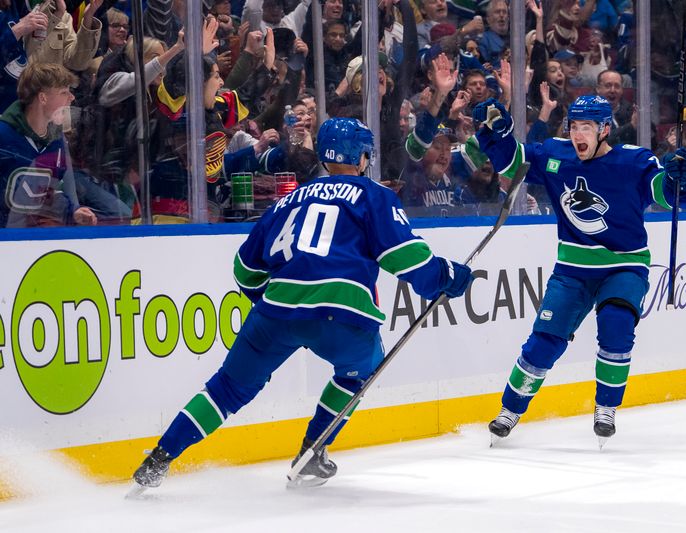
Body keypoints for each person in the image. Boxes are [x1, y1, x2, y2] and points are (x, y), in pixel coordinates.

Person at [131, 117, 473, 490]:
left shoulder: (286, 201)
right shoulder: (374, 195)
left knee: (226, 388)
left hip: (275, 312)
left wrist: (276, 304)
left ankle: (159, 459)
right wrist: (448, 277)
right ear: (361, 158)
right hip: (342, 313)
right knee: (362, 367)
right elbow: (408, 260)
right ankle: (312, 450)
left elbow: (244, 270)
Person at [471, 95, 686, 445]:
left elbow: (669, 197)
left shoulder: (634, 161)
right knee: (544, 342)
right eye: (574, 126)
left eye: (586, 127)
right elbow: (511, 163)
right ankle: (510, 410)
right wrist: (495, 133)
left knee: (616, 326)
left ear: (604, 129)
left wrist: (679, 179)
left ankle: (606, 406)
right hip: (572, 268)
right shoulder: (555, 154)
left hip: (625, 265)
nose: (578, 134)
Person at [0, 62, 97, 228]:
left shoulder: (57, 142)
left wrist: (73, 212)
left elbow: (48, 194)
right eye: (64, 92)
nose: (72, 98)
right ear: (43, 98)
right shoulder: (4, 136)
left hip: (37, 239)